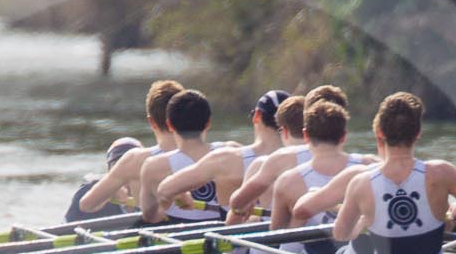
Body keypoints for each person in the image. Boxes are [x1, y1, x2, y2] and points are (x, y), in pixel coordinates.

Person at [294, 92, 456, 254]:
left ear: (380, 134)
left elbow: (341, 234)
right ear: (418, 134)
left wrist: (365, 221)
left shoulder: (361, 182)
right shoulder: (442, 173)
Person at [150, 90, 289, 215]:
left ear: (256, 116)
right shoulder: (305, 159)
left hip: (240, 238)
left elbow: (164, 190)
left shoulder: (226, 159)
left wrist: (181, 195)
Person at [225, 84, 348, 222]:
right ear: (344, 131)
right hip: (343, 239)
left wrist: (242, 210)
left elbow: (237, 206)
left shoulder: (273, 161)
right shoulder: (364, 165)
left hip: (289, 240)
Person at [261, 98, 363, 254]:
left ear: (306, 135)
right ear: (344, 136)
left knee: (275, 253)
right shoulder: (370, 166)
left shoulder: (288, 181)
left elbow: (277, 232)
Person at [71, 80, 186, 219]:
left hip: (156, 233)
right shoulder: (214, 156)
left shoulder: (135, 160)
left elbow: (86, 205)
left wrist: (107, 193)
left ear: (151, 122)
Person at [137, 90, 230, 225]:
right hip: (228, 236)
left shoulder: (154, 166)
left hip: (181, 237)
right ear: (208, 123)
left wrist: (166, 203)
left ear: (169, 125)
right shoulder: (232, 152)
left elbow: (150, 217)